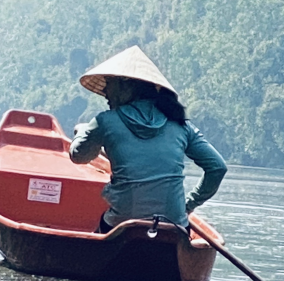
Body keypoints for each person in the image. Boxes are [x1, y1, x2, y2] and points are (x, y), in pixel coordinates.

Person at [69, 45, 227, 232]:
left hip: (122, 223)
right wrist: (188, 206)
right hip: (175, 224)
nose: (106, 94)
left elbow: (78, 156)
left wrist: (82, 132)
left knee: (102, 228)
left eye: (109, 84)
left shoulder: (105, 121)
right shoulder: (181, 124)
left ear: (125, 84)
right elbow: (218, 167)